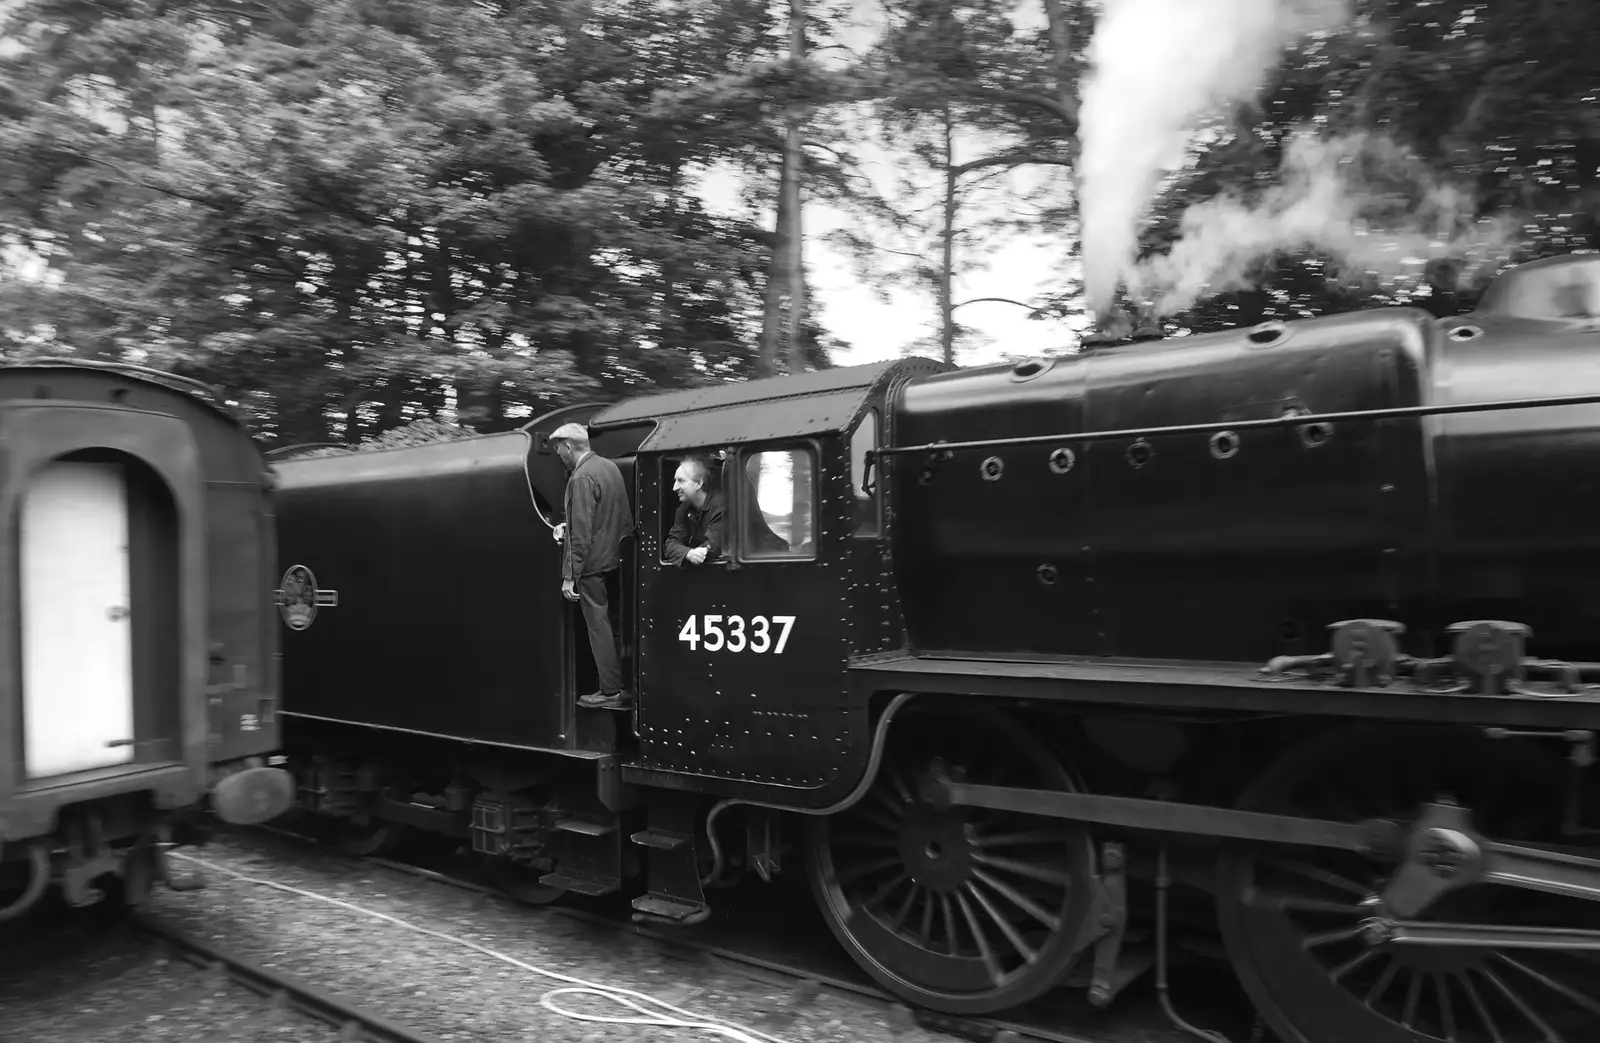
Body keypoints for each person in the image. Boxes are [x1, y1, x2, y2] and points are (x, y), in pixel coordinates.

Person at [548, 423, 635, 710]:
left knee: (598, 626)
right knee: (616, 625)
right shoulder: (609, 468)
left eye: (559, 449)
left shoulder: (581, 477)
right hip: (617, 559)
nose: (558, 455)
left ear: (570, 446)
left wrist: (569, 576)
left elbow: (581, 533)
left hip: (593, 565)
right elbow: (615, 515)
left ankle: (609, 691)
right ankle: (626, 683)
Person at [663, 456, 725, 566]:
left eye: (681, 481)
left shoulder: (720, 504)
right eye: (675, 481)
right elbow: (670, 545)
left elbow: (713, 547)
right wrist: (689, 554)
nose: (674, 487)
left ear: (698, 483)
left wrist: (697, 553)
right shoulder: (683, 510)